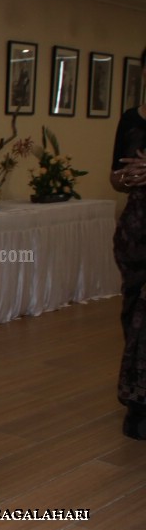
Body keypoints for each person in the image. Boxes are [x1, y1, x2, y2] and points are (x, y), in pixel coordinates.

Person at [111, 48, 146, 439]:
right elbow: (114, 175)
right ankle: (136, 394)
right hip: (136, 226)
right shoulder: (131, 119)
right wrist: (126, 179)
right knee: (133, 307)